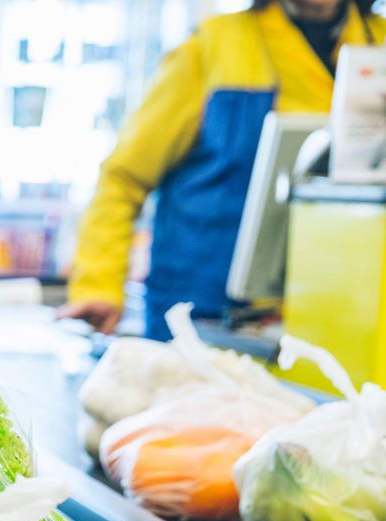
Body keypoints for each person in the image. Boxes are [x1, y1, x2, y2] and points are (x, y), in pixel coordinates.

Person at [60, 0, 385, 340]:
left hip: (340, 310)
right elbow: (124, 177)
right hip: (203, 315)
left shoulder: (378, 41)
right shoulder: (213, 44)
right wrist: (97, 284)